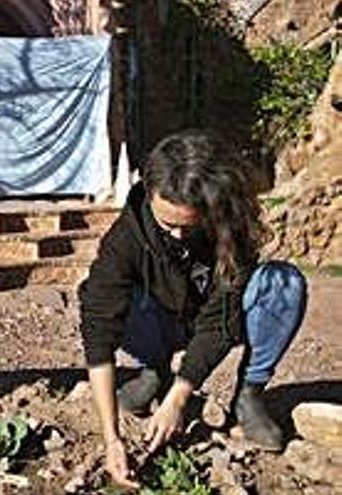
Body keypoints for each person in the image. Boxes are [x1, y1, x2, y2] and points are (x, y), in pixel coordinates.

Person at [79, 129, 307, 489]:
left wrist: (178, 401)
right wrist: (112, 439)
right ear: (149, 192)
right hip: (159, 323)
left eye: (190, 225)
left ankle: (248, 397)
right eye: (168, 225)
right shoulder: (126, 237)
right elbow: (98, 328)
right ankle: (154, 371)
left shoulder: (232, 228)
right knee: (97, 295)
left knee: (283, 284)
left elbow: (219, 322)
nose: (179, 237)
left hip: (208, 320)